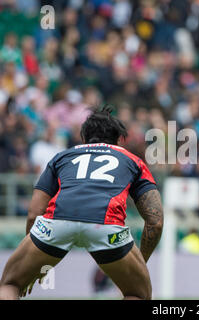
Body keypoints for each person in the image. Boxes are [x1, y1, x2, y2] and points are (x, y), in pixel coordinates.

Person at [0, 106, 164, 300]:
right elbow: (156, 221)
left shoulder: (62, 156)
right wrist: (139, 263)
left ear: (83, 139)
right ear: (119, 141)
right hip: (107, 227)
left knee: (10, 284)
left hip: (57, 223)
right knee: (137, 293)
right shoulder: (133, 161)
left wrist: (36, 258)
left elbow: (34, 213)